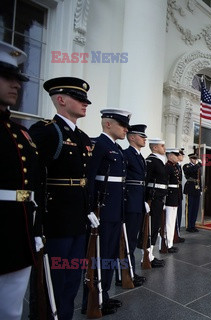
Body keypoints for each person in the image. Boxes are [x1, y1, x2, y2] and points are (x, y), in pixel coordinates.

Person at [29, 76, 93, 319]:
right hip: (56, 220)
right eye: (79, 99)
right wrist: (36, 225)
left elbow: (84, 179)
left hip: (77, 218)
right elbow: (34, 177)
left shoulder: (83, 137)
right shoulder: (47, 131)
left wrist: (88, 211)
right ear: (61, 99)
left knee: (72, 277)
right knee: (52, 279)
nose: (85, 103)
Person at [0, 41, 43, 320]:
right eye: (7, 77)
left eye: (18, 78)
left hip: (20, 229)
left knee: (10, 309)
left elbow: (35, 184)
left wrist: (37, 229)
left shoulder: (21, 134)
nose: (16, 84)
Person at [86, 108, 131, 314]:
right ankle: (92, 299)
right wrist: (89, 209)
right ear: (108, 124)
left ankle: (104, 294)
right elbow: (89, 179)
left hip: (115, 211)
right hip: (101, 211)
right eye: (122, 125)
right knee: (99, 255)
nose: (126, 129)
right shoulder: (98, 145)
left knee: (110, 254)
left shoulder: (117, 149)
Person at [122, 124, 149, 286]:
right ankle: (125, 274)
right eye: (141, 136)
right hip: (130, 202)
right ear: (132, 137)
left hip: (138, 201)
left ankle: (130, 271)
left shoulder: (139, 156)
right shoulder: (126, 154)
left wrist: (144, 201)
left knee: (133, 239)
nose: (144, 139)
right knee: (127, 241)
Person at [143, 138, 167, 266]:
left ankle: (150, 256)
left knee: (155, 226)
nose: (165, 148)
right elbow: (145, 180)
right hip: (152, 198)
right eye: (162, 146)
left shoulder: (159, 161)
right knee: (150, 226)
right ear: (155, 148)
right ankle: (145, 257)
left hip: (158, 198)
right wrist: (145, 200)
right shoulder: (151, 160)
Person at [164, 149, 182, 253]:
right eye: (175, 155)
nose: (177, 157)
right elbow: (165, 182)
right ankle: (167, 244)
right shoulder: (168, 167)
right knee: (169, 221)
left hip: (175, 195)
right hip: (170, 196)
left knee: (172, 220)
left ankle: (170, 243)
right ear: (170, 156)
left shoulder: (174, 167)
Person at [183, 152, 202, 232]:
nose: (195, 160)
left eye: (196, 158)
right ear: (190, 159)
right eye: (194, 158)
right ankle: (188, 226)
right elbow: (190, 171)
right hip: (190, 187)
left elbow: (199, 178)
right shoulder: (186, 166)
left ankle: (193, 225)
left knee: (195, 208)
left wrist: (200, 189)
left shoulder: (197, 167)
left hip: (196, 188)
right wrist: (198, 165)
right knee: (190, 207)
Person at [173, 148, 186, 243]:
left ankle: (177, 234)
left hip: (178, 191)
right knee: (175, 215)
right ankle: (175, 235)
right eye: (181, 155)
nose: (182, 157)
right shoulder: (175, 166)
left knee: (178, 214)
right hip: (175, 192)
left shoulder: (178, 166)